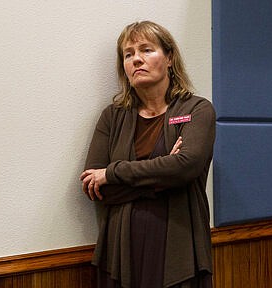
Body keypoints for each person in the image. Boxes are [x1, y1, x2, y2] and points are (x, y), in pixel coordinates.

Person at [80, 21, 215, 288]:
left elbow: (186, 166)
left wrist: (113, 173)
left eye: (146, 50)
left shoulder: (198, 110)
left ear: (169, 58)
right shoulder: (112, 116)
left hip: (179, 251)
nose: (136, 59)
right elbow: (95, 188)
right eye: (128, 54)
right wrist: (165, 173)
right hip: (120, 253)